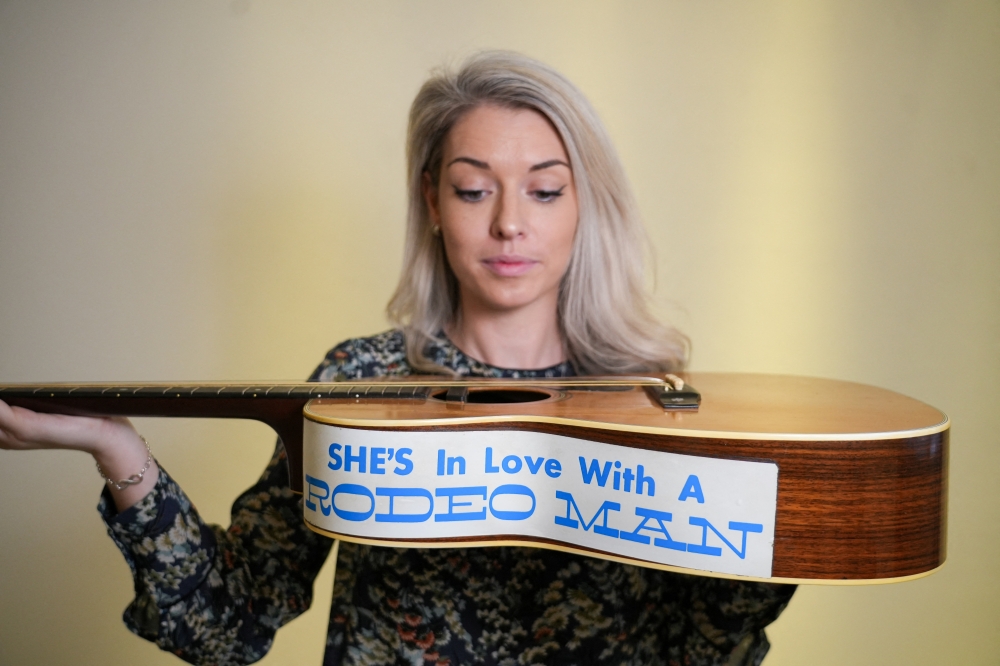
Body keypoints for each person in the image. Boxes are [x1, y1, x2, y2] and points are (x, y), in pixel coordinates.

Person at [0, 51, 795, 665]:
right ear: (433, 204)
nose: (510, 223)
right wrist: (119, 450)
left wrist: (790, 532)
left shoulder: (659, 403)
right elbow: (227, 627)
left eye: (545, 191)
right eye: (475, 190)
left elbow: (703, 647)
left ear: (586, 206)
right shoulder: (359, 381)